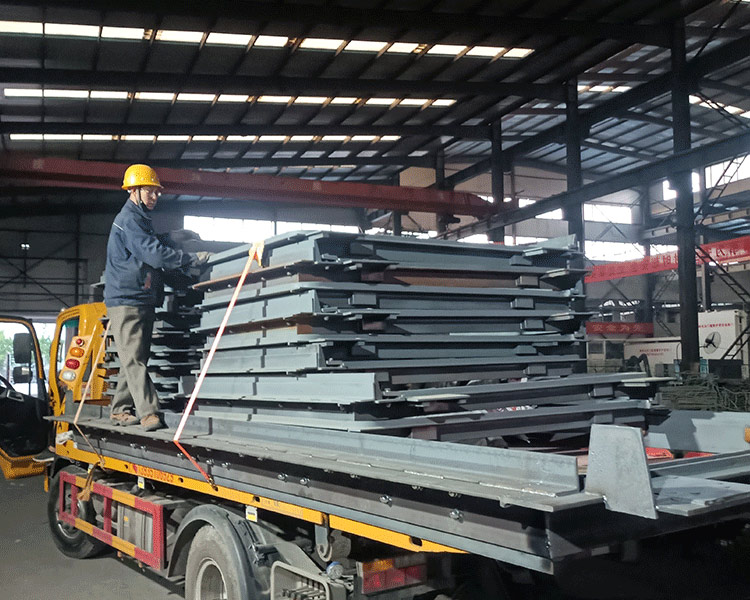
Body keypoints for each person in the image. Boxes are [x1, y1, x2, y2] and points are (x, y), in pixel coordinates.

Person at [104, 164, 211, 431]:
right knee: (134, 359)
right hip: (127, 299)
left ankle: (119, 409)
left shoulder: (139, 220)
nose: (154, 197)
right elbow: (152, 253)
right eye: (149, 192)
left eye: (156, 192)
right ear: (134, 191)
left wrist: (173, 236)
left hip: (141, 296)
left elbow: (150, 242)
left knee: (135, 357)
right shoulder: (129, 219)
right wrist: (189, 258)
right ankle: (149, 412)